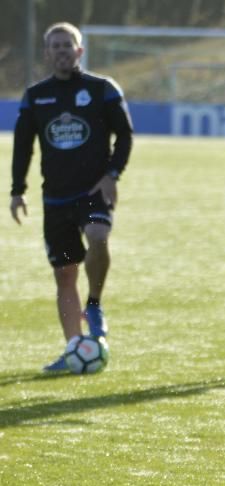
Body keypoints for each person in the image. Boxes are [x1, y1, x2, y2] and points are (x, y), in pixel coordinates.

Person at [10, 22, 133, 371]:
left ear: (80, 51)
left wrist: (112, 175)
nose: (63, 51)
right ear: (47, 53)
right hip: (56, 200)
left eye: (69, 45)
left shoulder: (102, 89)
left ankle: (93, 302)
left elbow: (125, 135)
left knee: (98, 237)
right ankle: (73, 347)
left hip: (93, 192)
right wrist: (18, 190)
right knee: (64, 274)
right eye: (56, 46)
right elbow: (23, 147)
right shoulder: (36, 96)